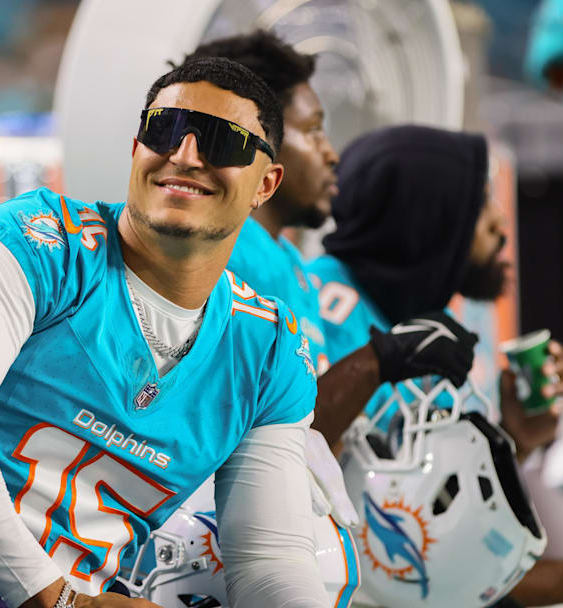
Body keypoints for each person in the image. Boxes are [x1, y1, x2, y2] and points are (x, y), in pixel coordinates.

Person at [0, 57, 328, 608]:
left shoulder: (268, 346)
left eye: (222, 142)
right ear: (137, 148)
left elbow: (270, 562)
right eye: (165, 129)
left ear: (265, 184)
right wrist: (58, 598)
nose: (185, 155)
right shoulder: (40, 241)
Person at [307, 124, 563, 606]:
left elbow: (436, 518)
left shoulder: (424, 319)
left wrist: (515, 438)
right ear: (426, 217)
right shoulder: (316, 306)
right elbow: (284, 468)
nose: (500, 221)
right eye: (479, 203)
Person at [185, 31, 480, 450]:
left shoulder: (285, 261)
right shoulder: (227, 249)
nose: (332, 154)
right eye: (314, 131)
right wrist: (379, 360)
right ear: (259, 137)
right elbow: (258, 439)